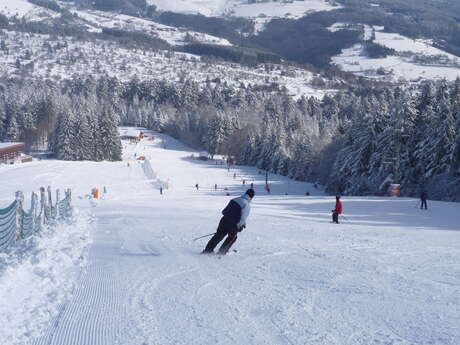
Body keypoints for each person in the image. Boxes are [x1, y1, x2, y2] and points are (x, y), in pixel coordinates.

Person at [202, 189, 255, 255]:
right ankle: (221, 252)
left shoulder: (234, 199)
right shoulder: (246, 205)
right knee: (232, 238)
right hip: (233, 224)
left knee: (218, 235)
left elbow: (224, 211)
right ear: (252, 197)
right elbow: (243, 218)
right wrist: (240, 226)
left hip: (224, 220)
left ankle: (208, 250)